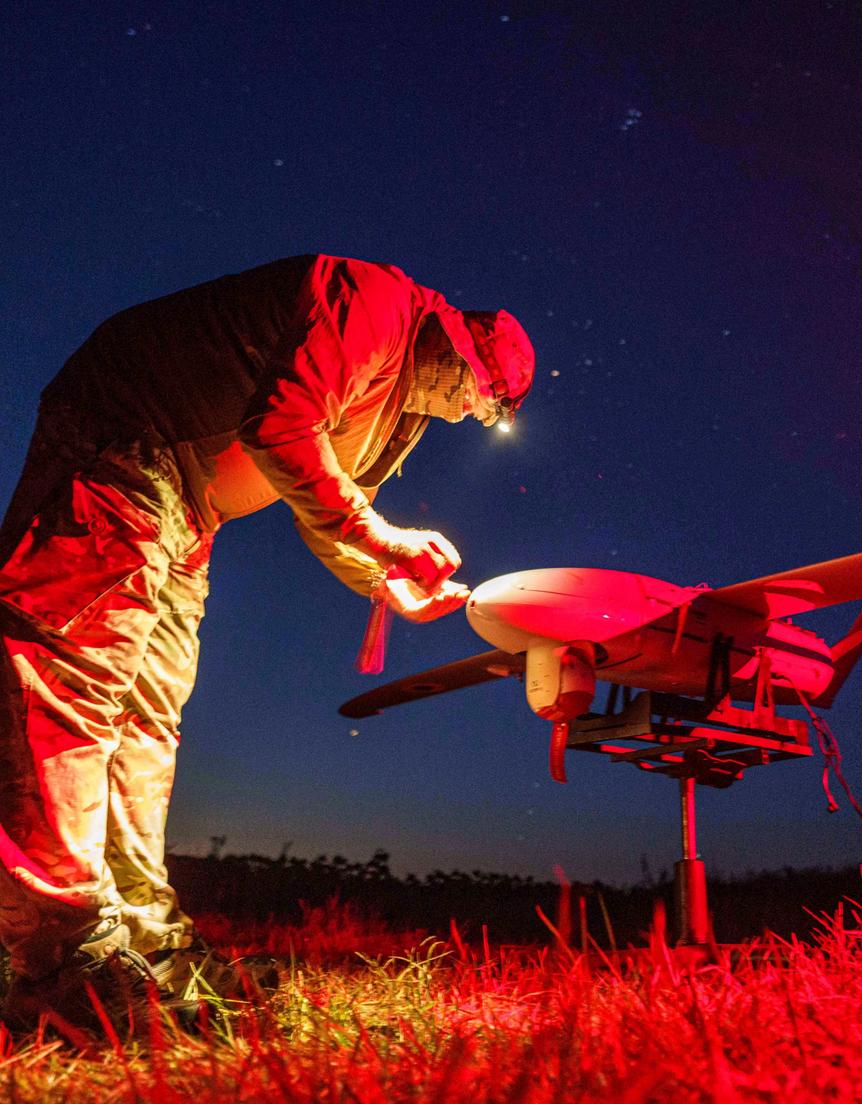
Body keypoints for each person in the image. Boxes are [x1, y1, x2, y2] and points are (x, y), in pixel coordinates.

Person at [0, 255, 534, 1039]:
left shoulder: (398, 412)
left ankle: (142, 937)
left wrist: (383, 577)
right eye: (475, 396)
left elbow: (322, 493)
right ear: (455, 346)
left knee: (147, 719)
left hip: (188, 507)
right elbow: (283, 433)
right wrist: (382, 538)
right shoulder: (373, 304)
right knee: (71, 680)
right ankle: (59, 954)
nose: (464, 413)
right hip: (122, 444)